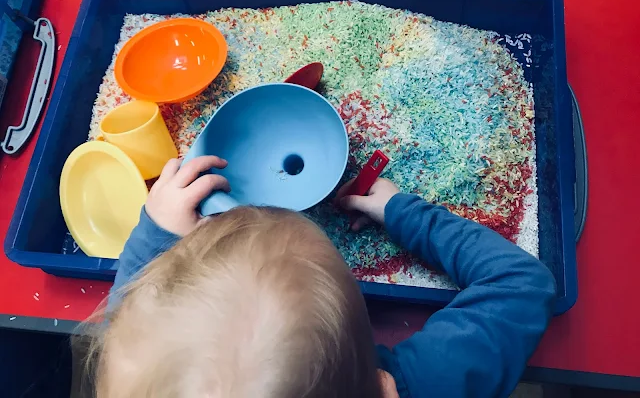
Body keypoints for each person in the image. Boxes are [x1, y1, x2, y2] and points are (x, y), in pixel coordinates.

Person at [87, 155, 556, 398]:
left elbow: (130, 330)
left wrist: (158, 233)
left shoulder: (147, 377)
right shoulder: (424, 383)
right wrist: (404, 212)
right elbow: (519, 283)